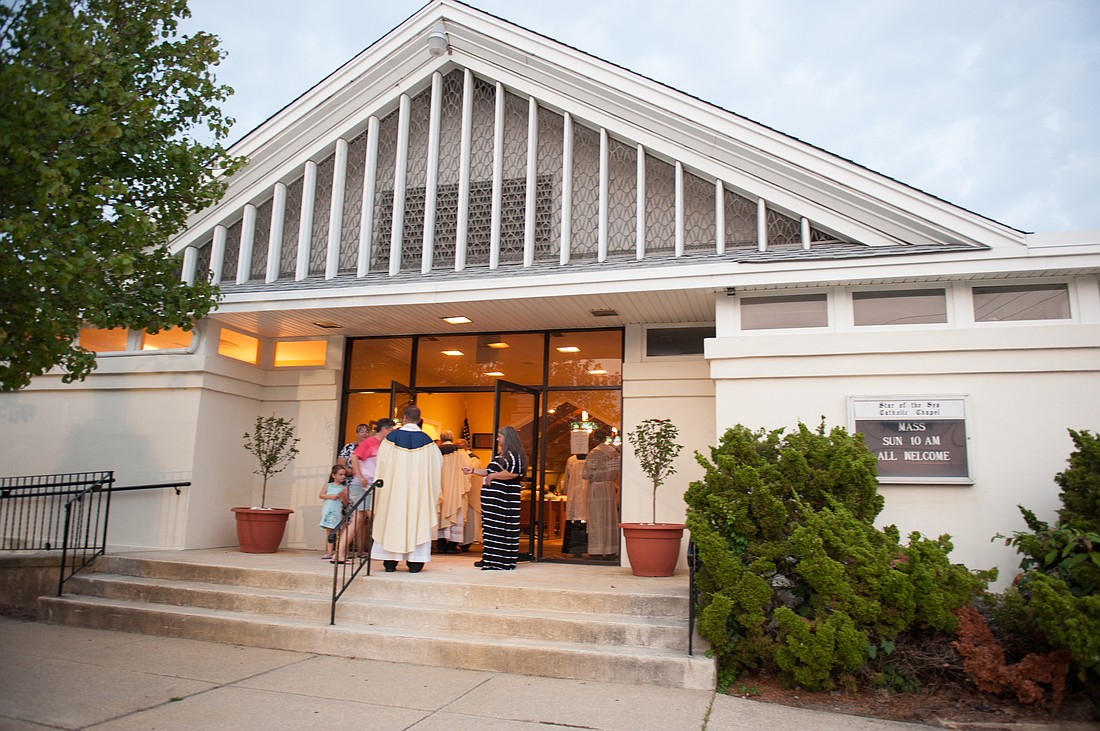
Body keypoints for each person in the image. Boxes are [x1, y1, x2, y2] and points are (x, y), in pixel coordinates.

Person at [371, 405, 443, 573]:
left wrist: (383, 488)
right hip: (419, 495)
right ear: (419, 420)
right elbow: (436, 468)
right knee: (418, 521)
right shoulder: (428, 442)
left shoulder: (390, 439)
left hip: (394, 493)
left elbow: (381, 464)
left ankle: (390, 562)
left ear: (403, 418)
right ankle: (415, 563)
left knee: (391, 520)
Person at [463, 425, 526, 571]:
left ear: (507, 437)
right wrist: (472, 470)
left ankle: (500, 560)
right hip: (493, 503)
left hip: (503, 502)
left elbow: (514, 473)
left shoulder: (513, 454)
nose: (497, 439)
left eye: (499, 436)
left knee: (500, 529)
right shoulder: (501, 454)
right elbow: (488, 471)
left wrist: (493, 476)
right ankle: (490, 557)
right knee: (490, 530)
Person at [335, 418, 395, 563]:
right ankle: (385, 551)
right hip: (362, 486)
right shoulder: (370, 442)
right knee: (373, 517)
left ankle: (339, 554)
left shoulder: (382, 444)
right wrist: (360, 476)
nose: (392, 433)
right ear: (384, 429)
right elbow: (354, 457)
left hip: (370, 486)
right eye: (391, 430)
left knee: (359, 519)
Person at [582, 436, 621, 560]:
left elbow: (586, 474)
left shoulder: (594, 453)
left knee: (596, 519)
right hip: (610, 488)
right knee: (610, 518)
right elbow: (618, 470)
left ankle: (597, 550)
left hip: (597, 487)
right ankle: (611, 549)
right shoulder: (615, 453)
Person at [435, 430, 467, 554]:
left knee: (440, 513)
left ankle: (441, 544)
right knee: (455, 512)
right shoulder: (460, 452)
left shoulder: (436, 450)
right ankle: (452, 545)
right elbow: (467, 468)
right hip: (455, 488)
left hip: (440, 486)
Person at [318, 465, 349, 559]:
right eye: (340, 474)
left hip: (338, 511)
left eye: (344, 475)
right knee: (329, 531)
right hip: (328, 510)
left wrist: (342, 496)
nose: (343, 477)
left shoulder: (344, 488)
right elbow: (321, 495)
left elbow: (346, 502)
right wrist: (332, 496)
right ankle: (329, 552)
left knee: (341, 532)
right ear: (334, 475)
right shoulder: (328, 485)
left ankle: (340, 551)